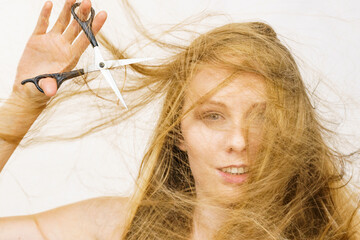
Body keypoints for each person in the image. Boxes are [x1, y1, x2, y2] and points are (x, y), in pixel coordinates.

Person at [0, 0, 359, 239]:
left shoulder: (344, 229)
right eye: (213, 116)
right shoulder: (119, 226)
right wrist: (20, 109)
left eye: (263, 117)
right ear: (178, 133)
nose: (239, 140)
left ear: (295, 128)